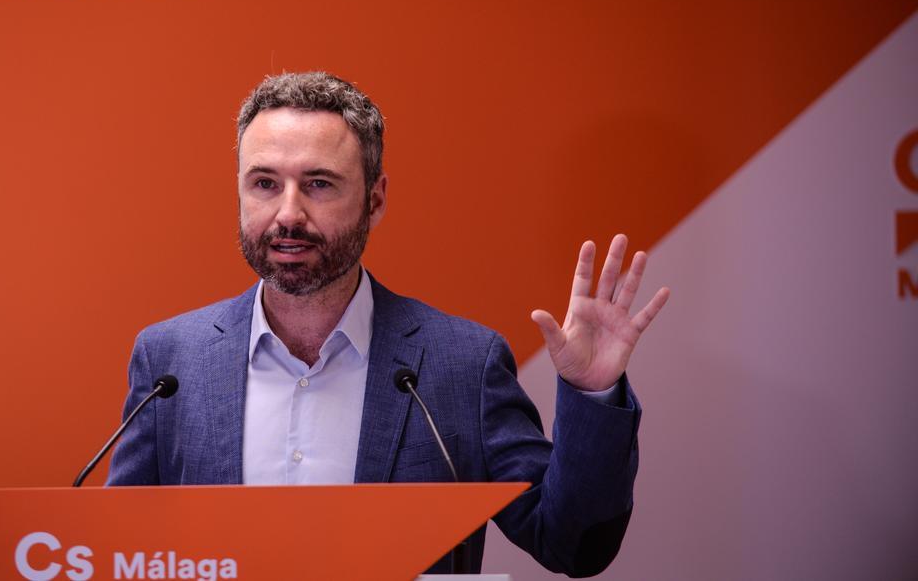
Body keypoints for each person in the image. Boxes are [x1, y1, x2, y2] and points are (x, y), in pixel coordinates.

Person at [106, 72, 670, 576]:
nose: (288, 214)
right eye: (265, 183)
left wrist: (592, 392)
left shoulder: (461, 365)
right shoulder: (170, 362)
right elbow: (116, 552)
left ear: (375, 200)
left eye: (319, 184)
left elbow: (572, 544)